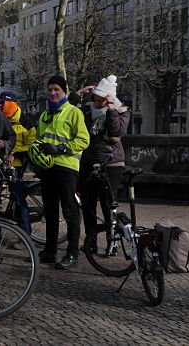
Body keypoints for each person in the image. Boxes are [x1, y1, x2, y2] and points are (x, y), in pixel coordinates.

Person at [29, 75, 90, 270]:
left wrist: (60, 149)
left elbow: (83, 140)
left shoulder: (73, 112)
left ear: (64, 91)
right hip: (47, 168)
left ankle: (72, 252)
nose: (53, 93)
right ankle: (50, 251)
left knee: (70, 210)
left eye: (56, 89)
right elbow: (40, 139)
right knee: (50, 210)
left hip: (66, 167)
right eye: (50, 90)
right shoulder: (45, 115)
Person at [76, 75, 131, 255]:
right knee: (88, 204)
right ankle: (90, 242)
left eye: (101, 99)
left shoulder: (121, 111)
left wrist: (110, 109)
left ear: (109, 98)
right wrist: (78, 94)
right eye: (96, 99)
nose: (97, 103)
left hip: (111, 163)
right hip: (88, 162)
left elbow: (116, 132)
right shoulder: (86, 110)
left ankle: (112, 241)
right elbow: (68, 109)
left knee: (109, 205)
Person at [0, 91, 36, 235]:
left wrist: (15, 154)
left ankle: (26, 234)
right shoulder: (0, 120)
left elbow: (32, 144)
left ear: (11, 104)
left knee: (19, 199)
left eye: (3, 103)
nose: (0, 105)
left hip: (17, 165)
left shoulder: (26, 122)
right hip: (1, 164)